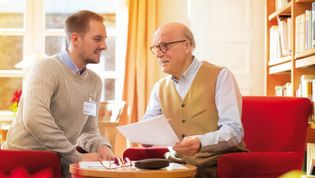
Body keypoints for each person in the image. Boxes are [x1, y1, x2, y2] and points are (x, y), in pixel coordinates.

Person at [2, 10, 114, 177]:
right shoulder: (46, 68)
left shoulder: (95, 82)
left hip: (59, 162)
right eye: (98, 39)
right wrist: (75, 156)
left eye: (105, 39)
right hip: (24, 164)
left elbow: (88, 130)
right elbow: (34, 117)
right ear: (75, 39)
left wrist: (102, 146)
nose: (104, 46)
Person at [143, 22, 247, 178]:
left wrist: (201, 142)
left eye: (164, 46)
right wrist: (146, 135)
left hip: (214, 165)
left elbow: (234, 131)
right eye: (156, 47)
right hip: (175, 167)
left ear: (187, 45)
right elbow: (146, 128)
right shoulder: (159, 88)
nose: (158, 53)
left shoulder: (220, 76)